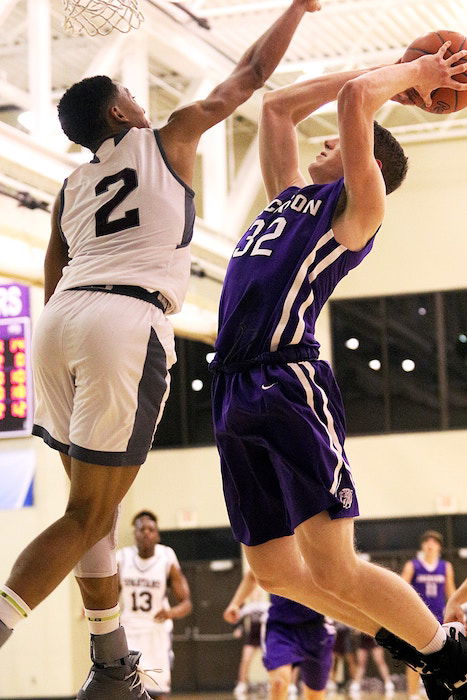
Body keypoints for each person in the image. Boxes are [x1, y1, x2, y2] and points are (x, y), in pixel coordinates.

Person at [0, 2, 323, 697]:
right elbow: (254, 73)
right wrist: (296, 8)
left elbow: (54, 269)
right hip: (125, 319)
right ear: (118, 116)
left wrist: (73, 327)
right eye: (130, 96)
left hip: (57, 321)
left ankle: (113, 665)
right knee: (87, 514)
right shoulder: (170, 136)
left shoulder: (71, 185)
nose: (141, 100)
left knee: (94, 511)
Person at [210, 34, 467, 700]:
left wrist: (412, 74)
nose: (324, 142)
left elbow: (356, 101)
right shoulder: (286, 199)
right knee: (279, 576)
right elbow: (277, 111)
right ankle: (421, 649)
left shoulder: (355, 211)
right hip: (234, 388)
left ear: (366, 167)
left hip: (285, 384)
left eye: (339, 144)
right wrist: (397, 79)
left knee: (336, 569)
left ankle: (451, 650)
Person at [224, 568, 335, 700]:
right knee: (279, 682)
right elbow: (253, 574)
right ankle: (242, 683)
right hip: (281, 627)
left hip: (315, 629)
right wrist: (235, 603)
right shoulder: (276, 550)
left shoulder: (317, 552)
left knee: (314, 696)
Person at [117, 510, 191, 698]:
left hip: (156, 631)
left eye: (151, 529)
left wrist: (170, 613)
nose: (146, 533)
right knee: (128, 689)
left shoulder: (166, 557)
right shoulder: (123, 557)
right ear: (135, 533)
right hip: (129, 630)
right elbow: (110, 596)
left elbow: (186, 603)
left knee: (159, 690)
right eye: (142, 529)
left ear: (157, 534)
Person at [401, 531, 456, 700]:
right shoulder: (413, 565)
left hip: (439, 618)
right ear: (422, 545)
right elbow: (401, 589)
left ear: (439, 546)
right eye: (427, 541)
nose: (430, 544)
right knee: (415, 657)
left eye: (434, 542)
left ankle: (440, 691)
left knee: (440, 658)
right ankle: (412, 694)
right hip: (418, 617)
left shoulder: (445, 567)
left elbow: (451, 593)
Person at [224, 585, 269, 700]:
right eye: (253, 592)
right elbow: (238, 619)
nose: (255, 594)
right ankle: (242, 684)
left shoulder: (266, 606)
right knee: (245, 660)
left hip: (264, 636)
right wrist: (238, 629)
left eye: (257, 592)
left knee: (270, 660)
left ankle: (271, 683)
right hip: (252, 636)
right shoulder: (248, 607)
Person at [348, 633, 394, 700]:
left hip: (374, 637)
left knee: (380, 661)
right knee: (361, 664)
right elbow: (356, 630)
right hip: (362, 639)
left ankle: (388, 683)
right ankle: (356, 684)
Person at [326, 623, 357, 696]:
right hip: (335, 632)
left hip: (347, 632)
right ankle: (332, 681)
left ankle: (355, 682)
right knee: (334, 660)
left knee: (350, 660)